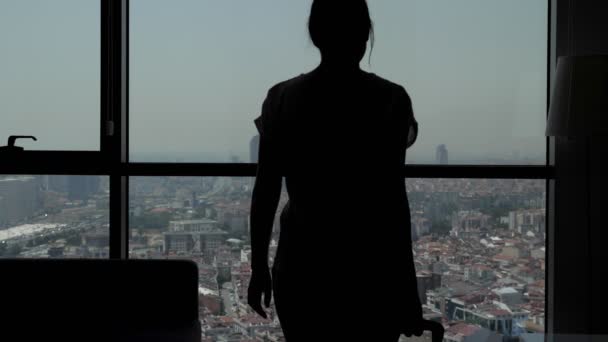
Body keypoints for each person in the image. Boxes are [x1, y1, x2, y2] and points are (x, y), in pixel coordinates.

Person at [248, 1, 424, 340]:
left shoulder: (281, 98)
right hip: (371, 268)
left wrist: (258, 267)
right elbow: (393, 203)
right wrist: (407, 288)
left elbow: (266, 190)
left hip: (302, 264)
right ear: (366, 34)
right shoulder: (390, 100)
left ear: (315, 35)